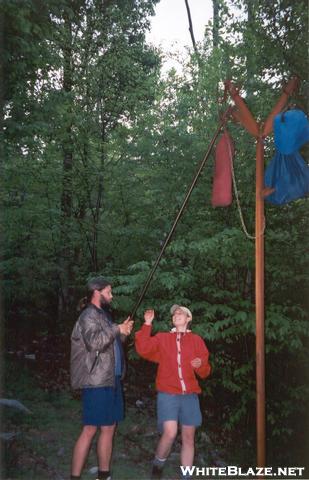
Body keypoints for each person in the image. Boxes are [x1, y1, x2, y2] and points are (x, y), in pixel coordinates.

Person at [135, 305, 211, 480]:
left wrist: (201, 365)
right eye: (174, 314)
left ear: (189, 318)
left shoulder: (197, 340)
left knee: (189, 437)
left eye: (180, 313)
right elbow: (143, 348)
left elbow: (206, 372)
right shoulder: (163, 338)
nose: (176, 315)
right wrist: (147, 324)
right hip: (168, 393)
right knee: (169, 432)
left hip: (190, 395)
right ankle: (158, 464)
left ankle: (186, 477)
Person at [70, 277, 134, 480]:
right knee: (90, 428)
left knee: (109, 427)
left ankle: (103, 476)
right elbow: (95, 343)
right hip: (96, 381)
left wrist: (123, 332)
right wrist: (117, 329)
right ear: (97, 292)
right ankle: (75, 477)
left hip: (111, 379)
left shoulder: (104, 315)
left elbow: (110, 344)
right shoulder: (88, 315)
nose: (112, 295)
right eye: (109, 291)